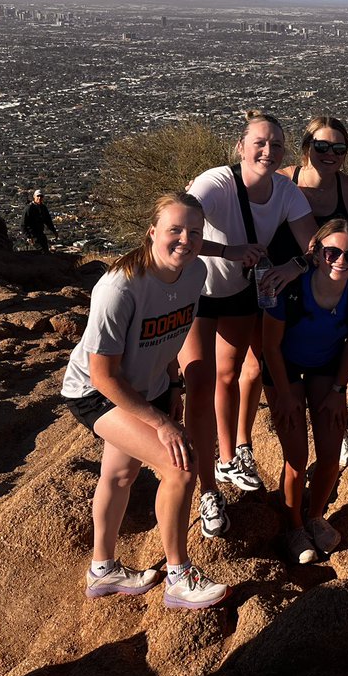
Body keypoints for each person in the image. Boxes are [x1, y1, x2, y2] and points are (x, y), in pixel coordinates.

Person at [61, 193, 229, 609]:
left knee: (119, 477)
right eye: (174, 230)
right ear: (152, 232)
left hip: (148, 386)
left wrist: (171, 386)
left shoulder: (194, 273)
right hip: (96, 392)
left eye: (194, 232)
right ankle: (178, 575)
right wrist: (160, 421)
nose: (185, 240)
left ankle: (103, 569)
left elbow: (170, 335)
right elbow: (102, 375)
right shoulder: (120, 287)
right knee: (180, 467)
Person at [180, 111, 317, 539]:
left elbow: (317, 243)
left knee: (228, 373)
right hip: (196, 290)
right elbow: (179, 227)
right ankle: (205, 488)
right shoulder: (214, 183)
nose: (268, 151)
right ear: (240, 146)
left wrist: (297, 266)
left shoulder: (285, 191)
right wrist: (229, 249)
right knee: (199, 381)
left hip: (239, 291)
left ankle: (228, 457)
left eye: (276, 145)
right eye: (260, 142)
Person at [262, 219, 348, 563]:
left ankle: (315, 516)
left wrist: (339, 390)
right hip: (284, 368)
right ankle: (294, 525)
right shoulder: (288, 288)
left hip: (326, 368)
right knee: (296, 457)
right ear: (315, 254)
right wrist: (284, 395)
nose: (341, 260)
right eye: (332, 252)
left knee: (330, 453)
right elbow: (270, 347)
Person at [265, 116, 348, 468]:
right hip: (280, 288)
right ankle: (241, 448)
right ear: (306, 147)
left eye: (339, 148)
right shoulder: (282, 180)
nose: (330, 153)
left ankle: (338, 430)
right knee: (257, 363)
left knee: (331, 352)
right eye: (321, 146)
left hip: (328, 289)